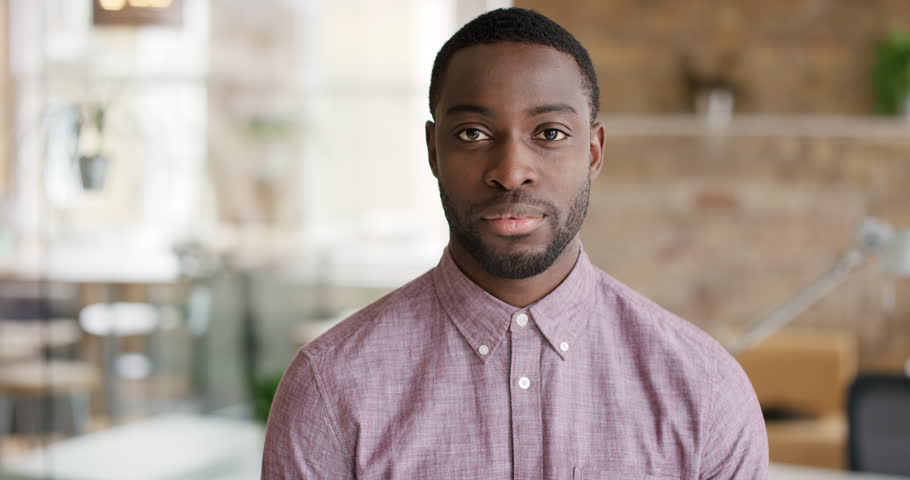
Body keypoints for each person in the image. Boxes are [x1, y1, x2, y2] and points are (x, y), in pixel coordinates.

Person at [262, 8, 767, 479]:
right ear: (433, 150)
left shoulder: (705, 390)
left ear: (593, 152)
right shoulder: (329, 389)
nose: (510, 173)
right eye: (473, 134)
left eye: (549, 133)